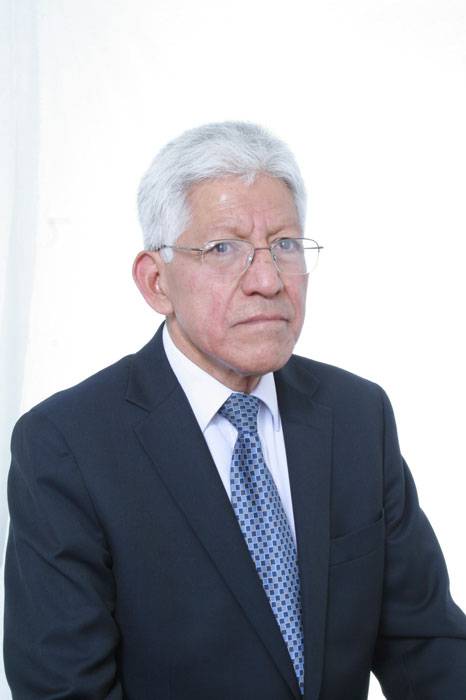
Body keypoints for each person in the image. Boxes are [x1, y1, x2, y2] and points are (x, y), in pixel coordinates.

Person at [3, 121, 466, 700]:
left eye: (285, 244)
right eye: (224, 249)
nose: (268, 280)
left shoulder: (356, 416)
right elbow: (65, 690)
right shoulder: (66, 446)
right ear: (156, 282)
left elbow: (427, 648)